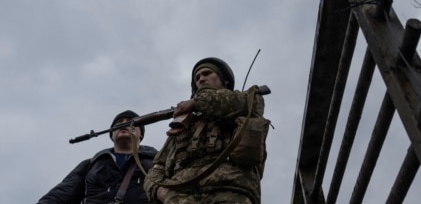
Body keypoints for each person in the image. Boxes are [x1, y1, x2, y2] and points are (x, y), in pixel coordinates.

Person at [144, 57, 266, 204]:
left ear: (223, 79)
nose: (201, 79)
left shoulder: (245, 101)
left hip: (230, 191)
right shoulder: (184, 123)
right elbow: (157, 168)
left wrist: (197, 102)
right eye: (197, 77)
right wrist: (162, 193)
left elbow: (246, 104)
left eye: (207, 73)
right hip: (181, 197)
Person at [37, 110, 158, 204]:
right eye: (119, 122)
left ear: (140, 134)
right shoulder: (91, 164)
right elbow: (62, 194)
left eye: (131, 121)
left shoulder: (158, 162)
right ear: (111, 135)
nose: (124, 123)